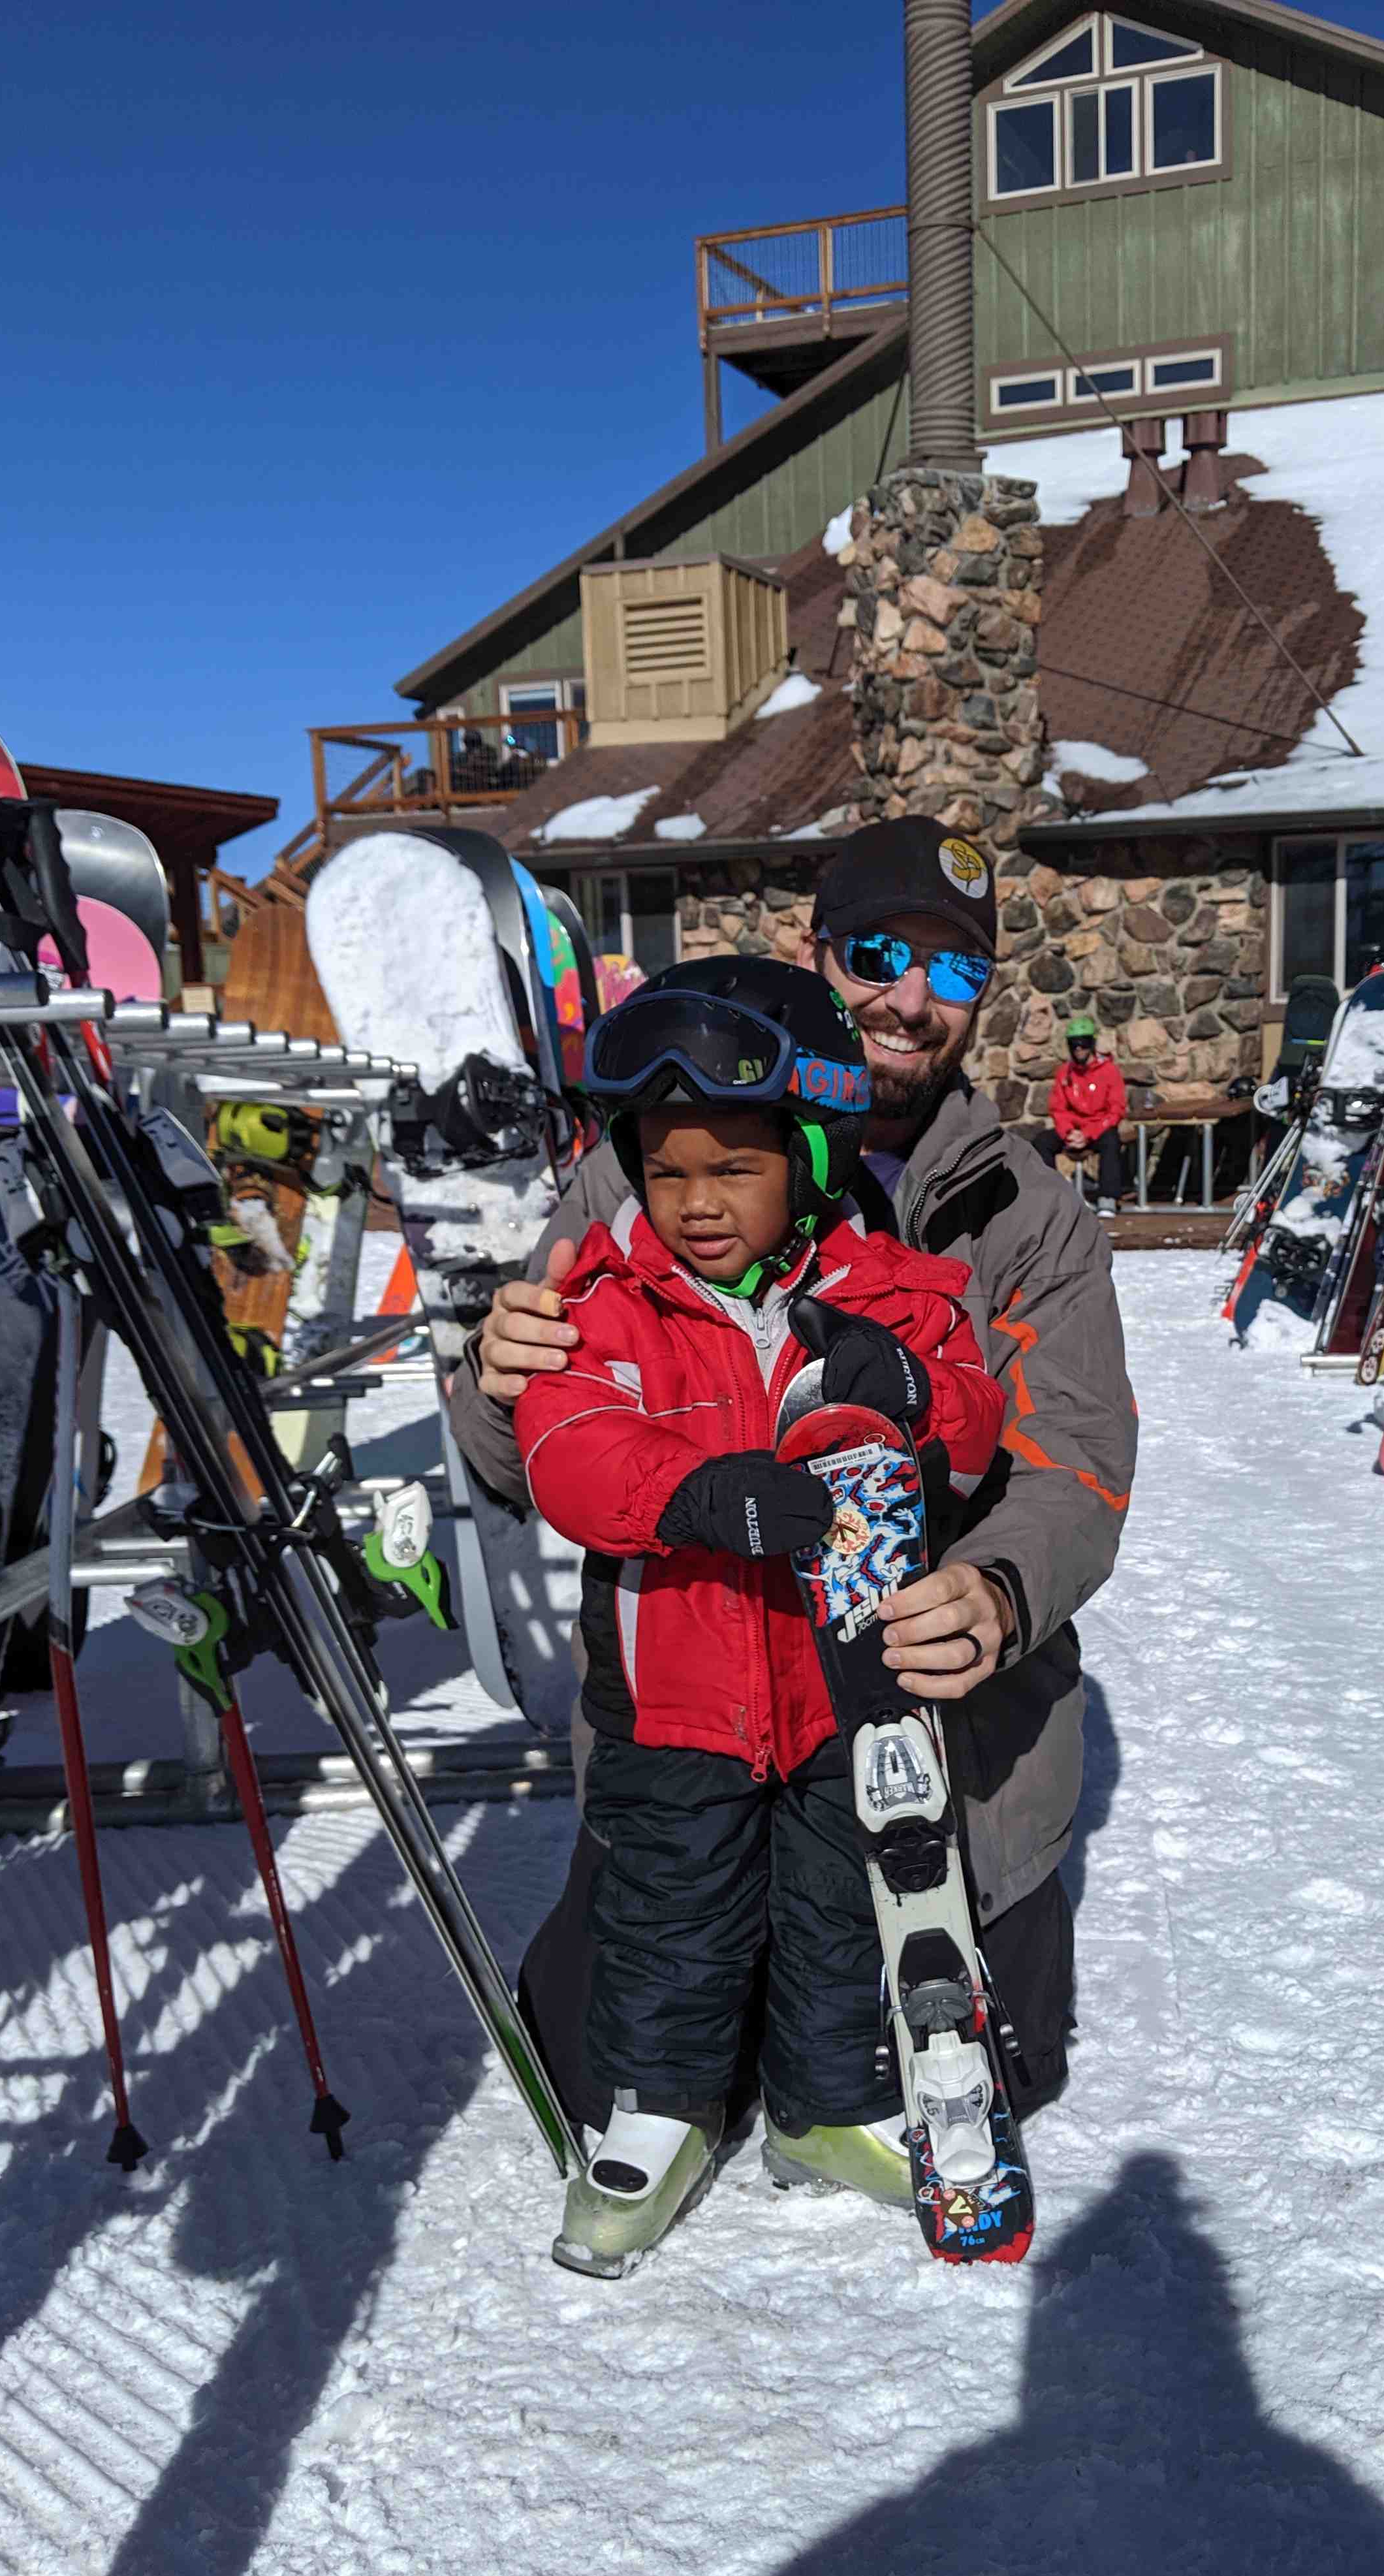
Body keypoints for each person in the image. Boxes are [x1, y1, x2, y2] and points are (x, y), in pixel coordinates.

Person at [450, 815, 1139, 2205]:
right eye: (877, 954)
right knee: (616, 2058)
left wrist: (999, 1589)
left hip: (923, 1729)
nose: (910, 998)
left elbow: (1074, 1459)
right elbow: (529, 1460)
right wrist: (491, 1375)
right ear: (816, 955)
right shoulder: (650, 1152)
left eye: (953, 969)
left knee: (984, 2068)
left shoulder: (1026, 1215)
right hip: (696, 1707)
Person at [512, 957, 1005, 2273]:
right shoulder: (606, 1305)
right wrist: (692, 1494)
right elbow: (565, 1446)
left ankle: (826, 2107)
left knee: (839, 1909)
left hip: (842, 1692)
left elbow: (973, 1427)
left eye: (733, 1168)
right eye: (665, 1170)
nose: (695, 1202)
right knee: (670, 1916)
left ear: (810, 1156)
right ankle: (659, 2114)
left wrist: (909, 1389)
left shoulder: (890, 1292)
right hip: (675, 1703)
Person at [1035, 1015, 1127, 1216]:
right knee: (1042, 1141)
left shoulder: (1109, 1071)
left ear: (1092, 1044)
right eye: (1074, 1044)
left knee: (1111, 1140)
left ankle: (1108, 1198)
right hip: (1072, 1130)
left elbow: (1116, 1110)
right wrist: (1069, 1132)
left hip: (1098, 1129)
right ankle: (1052, 1197)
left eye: (1083, 1043)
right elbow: (1058, 1108)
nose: (1079, 1049)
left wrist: (1088, 1133)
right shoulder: (1065, 1073)